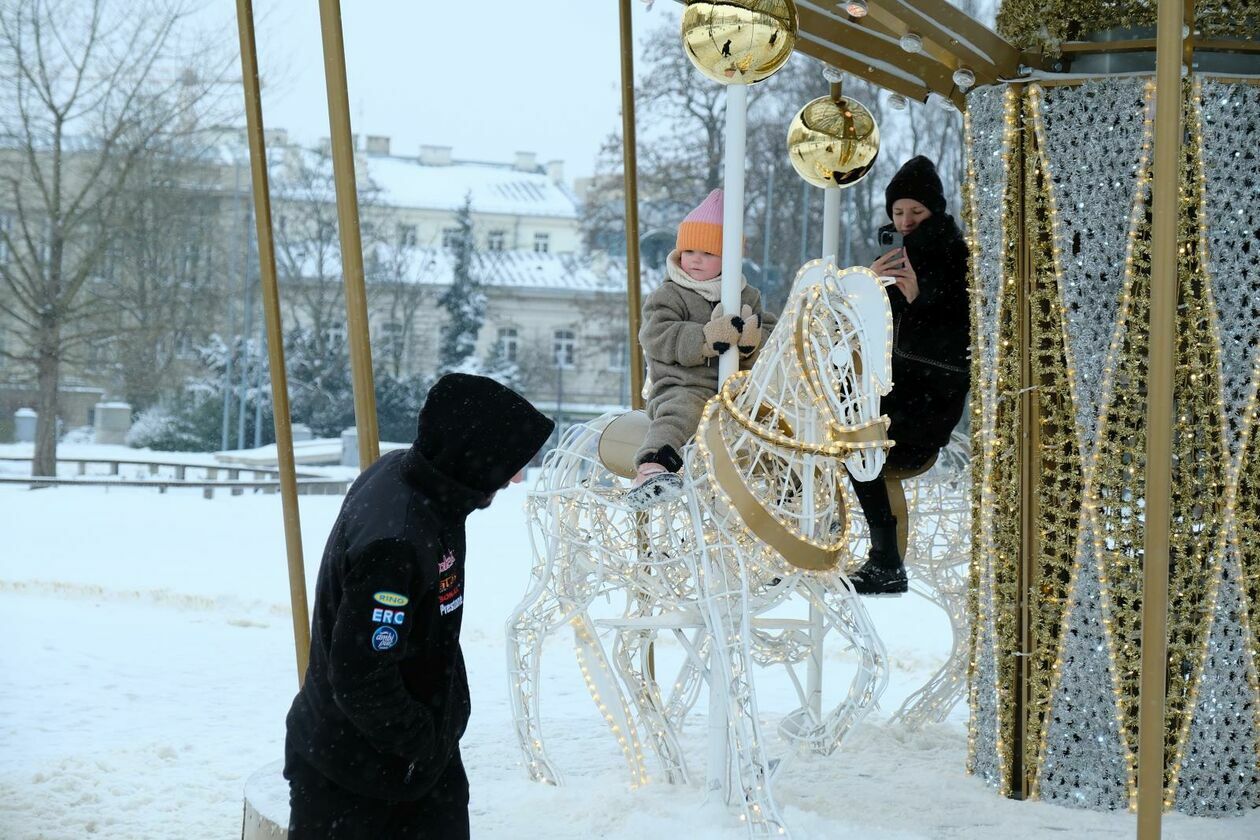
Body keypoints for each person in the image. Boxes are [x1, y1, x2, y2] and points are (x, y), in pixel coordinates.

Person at [283, 373, 554, 839]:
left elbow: (427, 626)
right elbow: (361, 677)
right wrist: (421, 744)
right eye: (509, 461)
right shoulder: (397, 539)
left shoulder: (431, 489)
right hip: (360, 780)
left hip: (408, 766)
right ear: (473, 453)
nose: (516, 477)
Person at [849, 155, 971, 595]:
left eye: (915, 212)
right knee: (845, 440)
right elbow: (865, 324)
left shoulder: (955, 257)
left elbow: (958, 336)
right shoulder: (894, 255)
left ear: (934, 211)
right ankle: (879, 556)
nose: (905, 221)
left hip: (928, 397)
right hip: (896, 391)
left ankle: (885, 559)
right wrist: (867, 282)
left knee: (857, 445)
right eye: (898, 212)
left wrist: (919, 301)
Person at [627, 188, 777, 509]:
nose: (695, 259)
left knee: (774, 418)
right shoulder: (670, 294)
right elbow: (657, 334)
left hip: (737, 390)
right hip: (684, 383)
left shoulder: (745, 296)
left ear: (729, 259)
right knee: (682, 411)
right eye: (689, 250)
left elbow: (769, 331)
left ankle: (787, 484)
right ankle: (653, 465)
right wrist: (706, 338)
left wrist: (753, 342)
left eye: (708, 253)